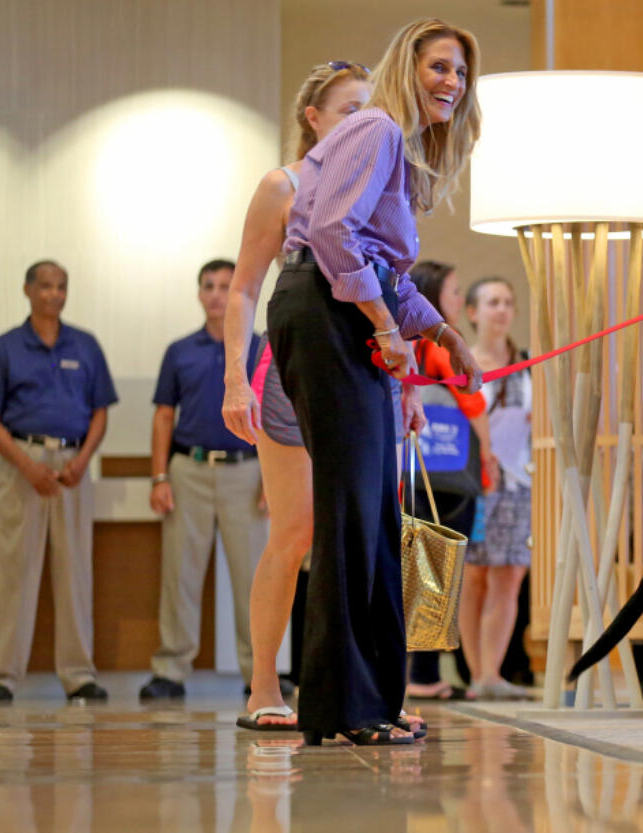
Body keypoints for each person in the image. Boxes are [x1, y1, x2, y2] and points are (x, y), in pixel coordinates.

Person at [267, 17, 483, 745]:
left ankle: (365, 702)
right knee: (353, 515)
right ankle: (345, 707)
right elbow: (331, 234)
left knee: (368, 515)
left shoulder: (396, 144)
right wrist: (388, 330)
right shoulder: (379, 130)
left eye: (461, 73)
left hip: (341, 315)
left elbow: (385, 271)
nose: (453, 82)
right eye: (441, 67)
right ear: (409, 67)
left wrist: (442, 332)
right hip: (324, 314)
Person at [222, 61, 371, 730]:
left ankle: (359, 687)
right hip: (288, 370)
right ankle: (263, 685)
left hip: (360, 370)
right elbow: (245, 286)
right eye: (348, 110)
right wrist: (233, 374)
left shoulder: (376, 184)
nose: (361, 123)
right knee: (295, 531)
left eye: (370, 112)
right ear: (313, 117)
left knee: (362, 534)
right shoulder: (282, 184)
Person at [0, 261, 117, 703]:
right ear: (27, 290)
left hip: (71, 469)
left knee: (75, 571)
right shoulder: (4, 348)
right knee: (13, 572)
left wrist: (82, 461)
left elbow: (100, 410)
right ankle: (2, 676)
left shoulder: (85, 345)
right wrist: (27, 465)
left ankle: (79, 674)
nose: (54, 294)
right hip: (18, 466)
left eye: (62, 286)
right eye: (45, 286)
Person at [139, 259, 267, 699]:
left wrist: (273, 478)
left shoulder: (261, 347)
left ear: (238, 293)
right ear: (199, 294)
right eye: (209, 285)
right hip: (188, 471)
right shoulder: (180, 351)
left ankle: (261, 673)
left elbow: (276, 416)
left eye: (225, 286)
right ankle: (171, 670)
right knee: (181, 575)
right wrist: (159, 477)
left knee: (254, 578)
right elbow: (162, 416)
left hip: (248, 472)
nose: (216, 293)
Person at [406, 261, 497, 701]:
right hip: (449, 479)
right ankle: (423, 675)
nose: (460, 300)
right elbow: (473, 403)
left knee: (415, 571)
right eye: (455, 292)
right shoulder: (442, 346)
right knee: (440, 573)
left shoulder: (402, 345)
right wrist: (489, 455)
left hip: (411, 474)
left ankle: (418, 672)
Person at [460, 277, 533, 701]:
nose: (501, 310)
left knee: (510, 575)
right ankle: (477, 674)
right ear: (473, 312)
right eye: (492, 302)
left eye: (507, 302)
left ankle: (492, 671)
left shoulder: (526, 365)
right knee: (475, 577)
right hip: (474, 484)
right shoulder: (462, 365)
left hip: (518, 482)